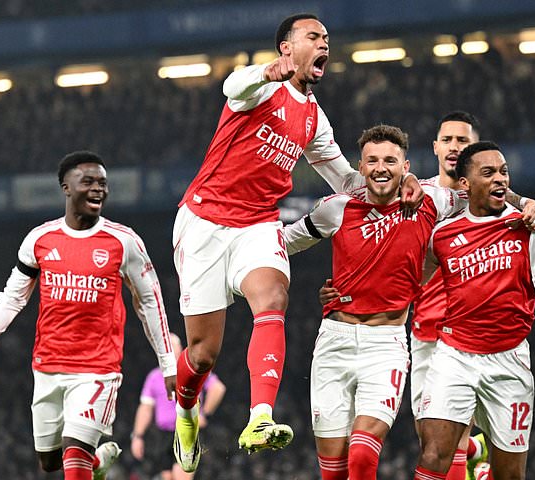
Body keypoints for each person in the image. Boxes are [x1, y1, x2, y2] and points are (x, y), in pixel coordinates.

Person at [170, 11, 425, 471]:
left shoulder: (313, 118)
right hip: (205, 221)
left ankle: (260, 417)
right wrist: (265, 71)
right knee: (203, 354)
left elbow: (347, 180)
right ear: (287, 47)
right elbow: (231, 86)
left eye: (327, 38)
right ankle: (186, 411)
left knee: (273, 298)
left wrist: (403, 180)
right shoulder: (260, 87)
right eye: (313, 36)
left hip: (258, 224)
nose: (324, 43)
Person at [318, 112, 535, 480]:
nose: (455, 146)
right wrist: (348, 289)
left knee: (450, 443)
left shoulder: (489, 202)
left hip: (470, 334)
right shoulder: (418, 194)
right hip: (424, 327)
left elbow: (511, 208)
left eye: (463, 141)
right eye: (448, 140)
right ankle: (475, 454)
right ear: (435, 147)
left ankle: (473, 453)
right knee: (432, 439)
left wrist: (527, 201)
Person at [0, 151, 175, 480]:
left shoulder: (124, 242)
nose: (98, 189)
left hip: (96, 369)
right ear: (66, 187)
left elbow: (149, 301)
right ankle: (97, 464)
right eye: (88, 181)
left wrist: (168, 364)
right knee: (49, 461)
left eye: (102, 183)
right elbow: (13, 296)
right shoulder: (40, 240)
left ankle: (87, 460)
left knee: (75, 452)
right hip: (47, 366)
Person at [285, 124, 468, 480]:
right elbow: (283, 242)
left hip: (385, 346)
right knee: (333, 472)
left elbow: (479, 192)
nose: (381, 168)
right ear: (361, 167)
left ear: (405, 166)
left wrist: (524, 203)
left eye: (390, 161)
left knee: (362, 456)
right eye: (372, 161)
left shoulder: (430, 201)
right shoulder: (336, 209)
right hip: (334, 342)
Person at [413, 142, 535, 480]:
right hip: (454, 357)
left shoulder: (531, 232)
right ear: (465, 184)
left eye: (504, 172)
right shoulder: (442, 235)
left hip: (509, 361)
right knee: (433, 454)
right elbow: (410, 283)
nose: (500, 179)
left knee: (509, 474)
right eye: (488, 173)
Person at [131, 333, 226, 480]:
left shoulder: (191, 371)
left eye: (171, 346)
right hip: (163, 436)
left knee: (181, 474)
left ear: (180, 349)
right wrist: (137, 436)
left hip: (187, 431)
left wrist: (204, 414)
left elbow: (217, 388)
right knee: (166, 476)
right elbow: (146, 408)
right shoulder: (154, 376)